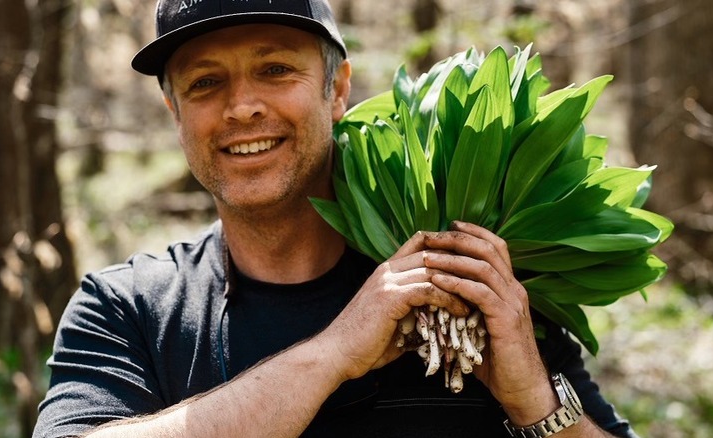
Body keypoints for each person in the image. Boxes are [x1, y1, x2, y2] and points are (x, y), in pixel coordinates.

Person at [33, 1, 639, 437]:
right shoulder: (128, 308)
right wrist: (333, 354)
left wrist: (534, 400)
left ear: (337, 88)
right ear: (175, 110)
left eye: (275, 70)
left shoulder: (467, 285)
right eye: (205, 83)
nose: (242, 106)